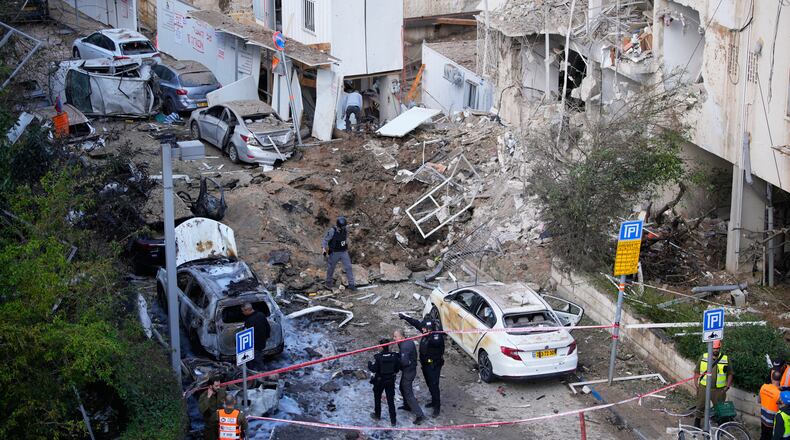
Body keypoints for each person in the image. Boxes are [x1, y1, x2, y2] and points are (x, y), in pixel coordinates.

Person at [398, 314, 445, 417]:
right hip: (425, 364)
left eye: (425, 329)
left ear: (430, 329)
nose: (422, 330)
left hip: (434, 365)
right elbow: (416, 323)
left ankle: (437, 407)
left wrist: (429, 335)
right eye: (423, 328)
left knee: (434, 385)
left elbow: (436, 343)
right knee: (429, 383)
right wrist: (405, 317)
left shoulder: (436, 336)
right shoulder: (425, 330)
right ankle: (433, 401)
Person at [693, 340, 734, 428]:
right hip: (704, 387)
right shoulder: (703, 357)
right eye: (714, 348)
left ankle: (720, 426)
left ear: (720, 348)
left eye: (717, 348)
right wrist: (696, 384)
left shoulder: (725, 359)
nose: (715, 350)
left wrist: (727, 387)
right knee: (700, 405)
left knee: (719, 408)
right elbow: (697, 371)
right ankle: (697, 422)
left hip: (719, 390)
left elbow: (730, 373)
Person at [393, 328, 425, 425]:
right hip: (410, 369)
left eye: (395, 336)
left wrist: (395, 364)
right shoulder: (406, 342)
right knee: (402, 387)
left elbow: (404, 362)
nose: (394, 338)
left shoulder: (404, 346)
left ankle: (420, 415)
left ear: (401, 336)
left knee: (408, 393)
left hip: (409, 371)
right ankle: (407, 405)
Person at [368, 338, 401, 426]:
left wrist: (369, 364)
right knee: (391, 401)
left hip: (380, 381)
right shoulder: (394, 356)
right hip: (390, 380)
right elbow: (397, 368)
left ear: (382, 347)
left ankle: (377, 415)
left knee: (377, 398)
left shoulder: (378, 357)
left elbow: (373, 369)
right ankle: (393, 420)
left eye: (379, 346)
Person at [322, 216, 356, 291]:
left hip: (343, 251)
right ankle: (328, 283)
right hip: (334, 252)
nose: (344, 228)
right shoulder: (332, 231)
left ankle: (351, 284)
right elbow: (325, 240)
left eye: (344, 226)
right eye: (342, 227)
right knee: (331, 267)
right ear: (339, 226)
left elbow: (346, 235)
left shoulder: (345, 229)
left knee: (348, 267)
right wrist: (324, 248)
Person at [242, 302, 270, 370]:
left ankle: (261, 375)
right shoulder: (261, 315)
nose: (242, 313)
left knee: (256, 361)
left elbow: (247, 335)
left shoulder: (249, 321)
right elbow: (268, 327)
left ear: (247, 310)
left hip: (253, 345)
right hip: (262, 343)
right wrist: (266, 337)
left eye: (243, 311)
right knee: (258, 358)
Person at [762, 370, 784, 440]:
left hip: (763, 417)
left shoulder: (763, 387)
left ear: (771, 378)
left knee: (763, 435)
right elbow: (781, 408)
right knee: (769, 437)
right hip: (771, 421)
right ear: (780, 379)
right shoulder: (780, 394)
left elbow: (759, 400)